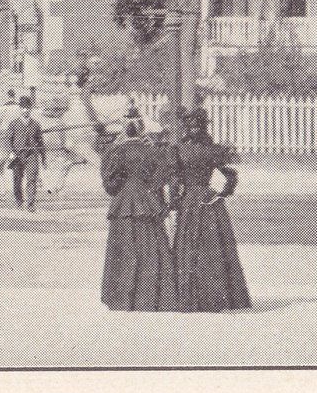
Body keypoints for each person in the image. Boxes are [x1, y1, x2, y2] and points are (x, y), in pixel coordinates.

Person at [171, 108, 251, 312]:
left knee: (191, 247)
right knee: (211, 249)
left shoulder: (180, 150)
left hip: (191, 201)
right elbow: (231, 175)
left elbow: (174, 181)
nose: (193, 129)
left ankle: (191, 297)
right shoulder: (212, 150)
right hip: (207, 201)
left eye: (194, 126)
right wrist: (222, 194)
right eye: (192, 126)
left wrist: (174, 202)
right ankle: (215, 296)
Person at [100, 116, 179, 311]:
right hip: (147, 202)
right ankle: (153, 298)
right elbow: (164, 176)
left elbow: (110, 184)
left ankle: (122, 299)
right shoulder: (152, 151)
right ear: (142, 130)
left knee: (124, 249)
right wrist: (150, 191)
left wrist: (121, 186)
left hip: (124, 203)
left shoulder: (118, 152)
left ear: (124, 131)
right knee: (151, 247)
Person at [5, 96, 47, 211]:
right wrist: (10, 152)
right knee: (17, 180)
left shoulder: (36, 125)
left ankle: (30, 204)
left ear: (31, 109)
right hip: (17, 156)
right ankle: (19, 200)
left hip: (31, 155)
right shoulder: (13, 124)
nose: (25, 110)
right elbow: (8, 140)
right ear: (20, 108)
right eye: (23, 108)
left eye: (28, 108)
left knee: (32, 179)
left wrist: (43, 158)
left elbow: (41, 142)